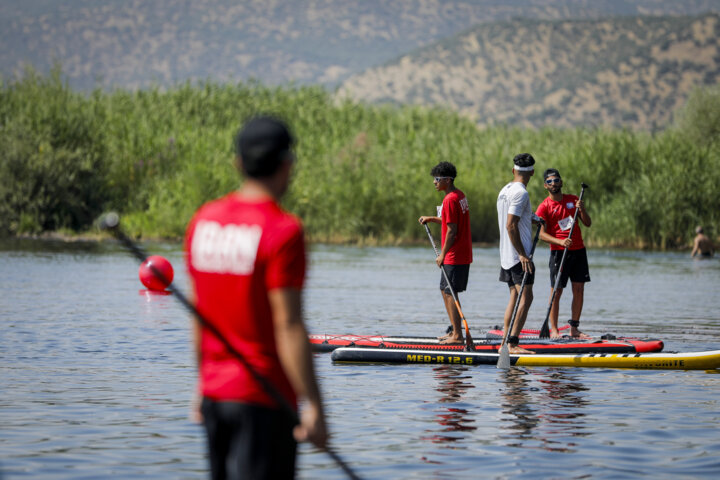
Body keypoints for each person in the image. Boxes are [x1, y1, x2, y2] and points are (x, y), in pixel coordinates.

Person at [185, 116, 327, 480]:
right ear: (287, 165)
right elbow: (289, 326)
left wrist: (202, 384)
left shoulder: (204, 221)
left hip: (215, 396)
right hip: (266, 400)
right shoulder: (283, 230)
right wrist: (315, 407)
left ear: (238, 163)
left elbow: (199, 316)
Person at [418, 161, 473, 345]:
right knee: (446, 290)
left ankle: (457, 335)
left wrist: (442, 254)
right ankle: (454, 331)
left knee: (449, 292)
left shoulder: (449, 199)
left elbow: (452, 230)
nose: (434, 182)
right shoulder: (459, 195)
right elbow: (450, 220)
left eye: (437, 179)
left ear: (448, 180)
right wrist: (432, 219)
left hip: (454, 254)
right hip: (460, 252)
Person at [535, 168, 592, 339]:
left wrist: (582, 210)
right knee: (556, 292)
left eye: (556, 180)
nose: (554, 184)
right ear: (546, 185)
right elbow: (540, 234)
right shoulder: (544, 207)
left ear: (561, 183)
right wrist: (560, 241)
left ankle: (574, 329)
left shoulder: (573, 199)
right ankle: (553, 330)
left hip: (578, 251)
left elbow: (587, 223)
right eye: (550, 181)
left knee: (579, 289)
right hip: (559, 253)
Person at [496, 153, 542, 354]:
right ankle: (512, 344)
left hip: (505, 255)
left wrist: (533, 218)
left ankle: (504, 342)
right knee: (527, 297)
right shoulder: (521, 193)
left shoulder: (504, 190)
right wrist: (523, 254)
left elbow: (514, 217)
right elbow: (510, 225)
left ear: (513, 170)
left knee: (514, 296)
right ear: (532, 171)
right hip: (518, 257)